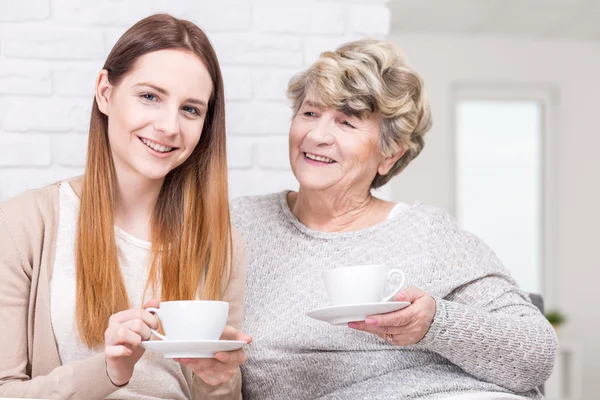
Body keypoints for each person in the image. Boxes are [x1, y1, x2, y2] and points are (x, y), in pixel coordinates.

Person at [231, 39, 557, 399]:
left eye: (346, 122)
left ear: (389, 155)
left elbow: (536, 354)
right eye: (310, 113)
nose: (317, 135)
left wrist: (434, 323)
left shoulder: (426, 232)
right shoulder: (241, 224)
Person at [0, 14, 250, 400]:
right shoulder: (25, 225)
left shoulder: (221, 243)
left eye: (191, 110)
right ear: (105, 92)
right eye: (150, 96)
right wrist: (108, 371)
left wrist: (222, 378)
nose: (169, 126)